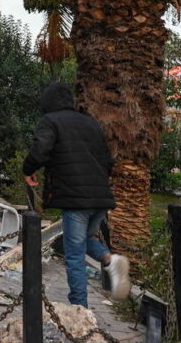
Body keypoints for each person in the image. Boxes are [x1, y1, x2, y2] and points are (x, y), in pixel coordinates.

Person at [22, 82, 130, 307]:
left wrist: (28, 170)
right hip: (99, 195)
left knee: (74, 255)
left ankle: (79, 307)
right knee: (85, 239)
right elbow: (108, 160)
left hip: (75, 198)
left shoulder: (50, 121)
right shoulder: (91, 123)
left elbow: (40, 150)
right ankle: (111, 260)